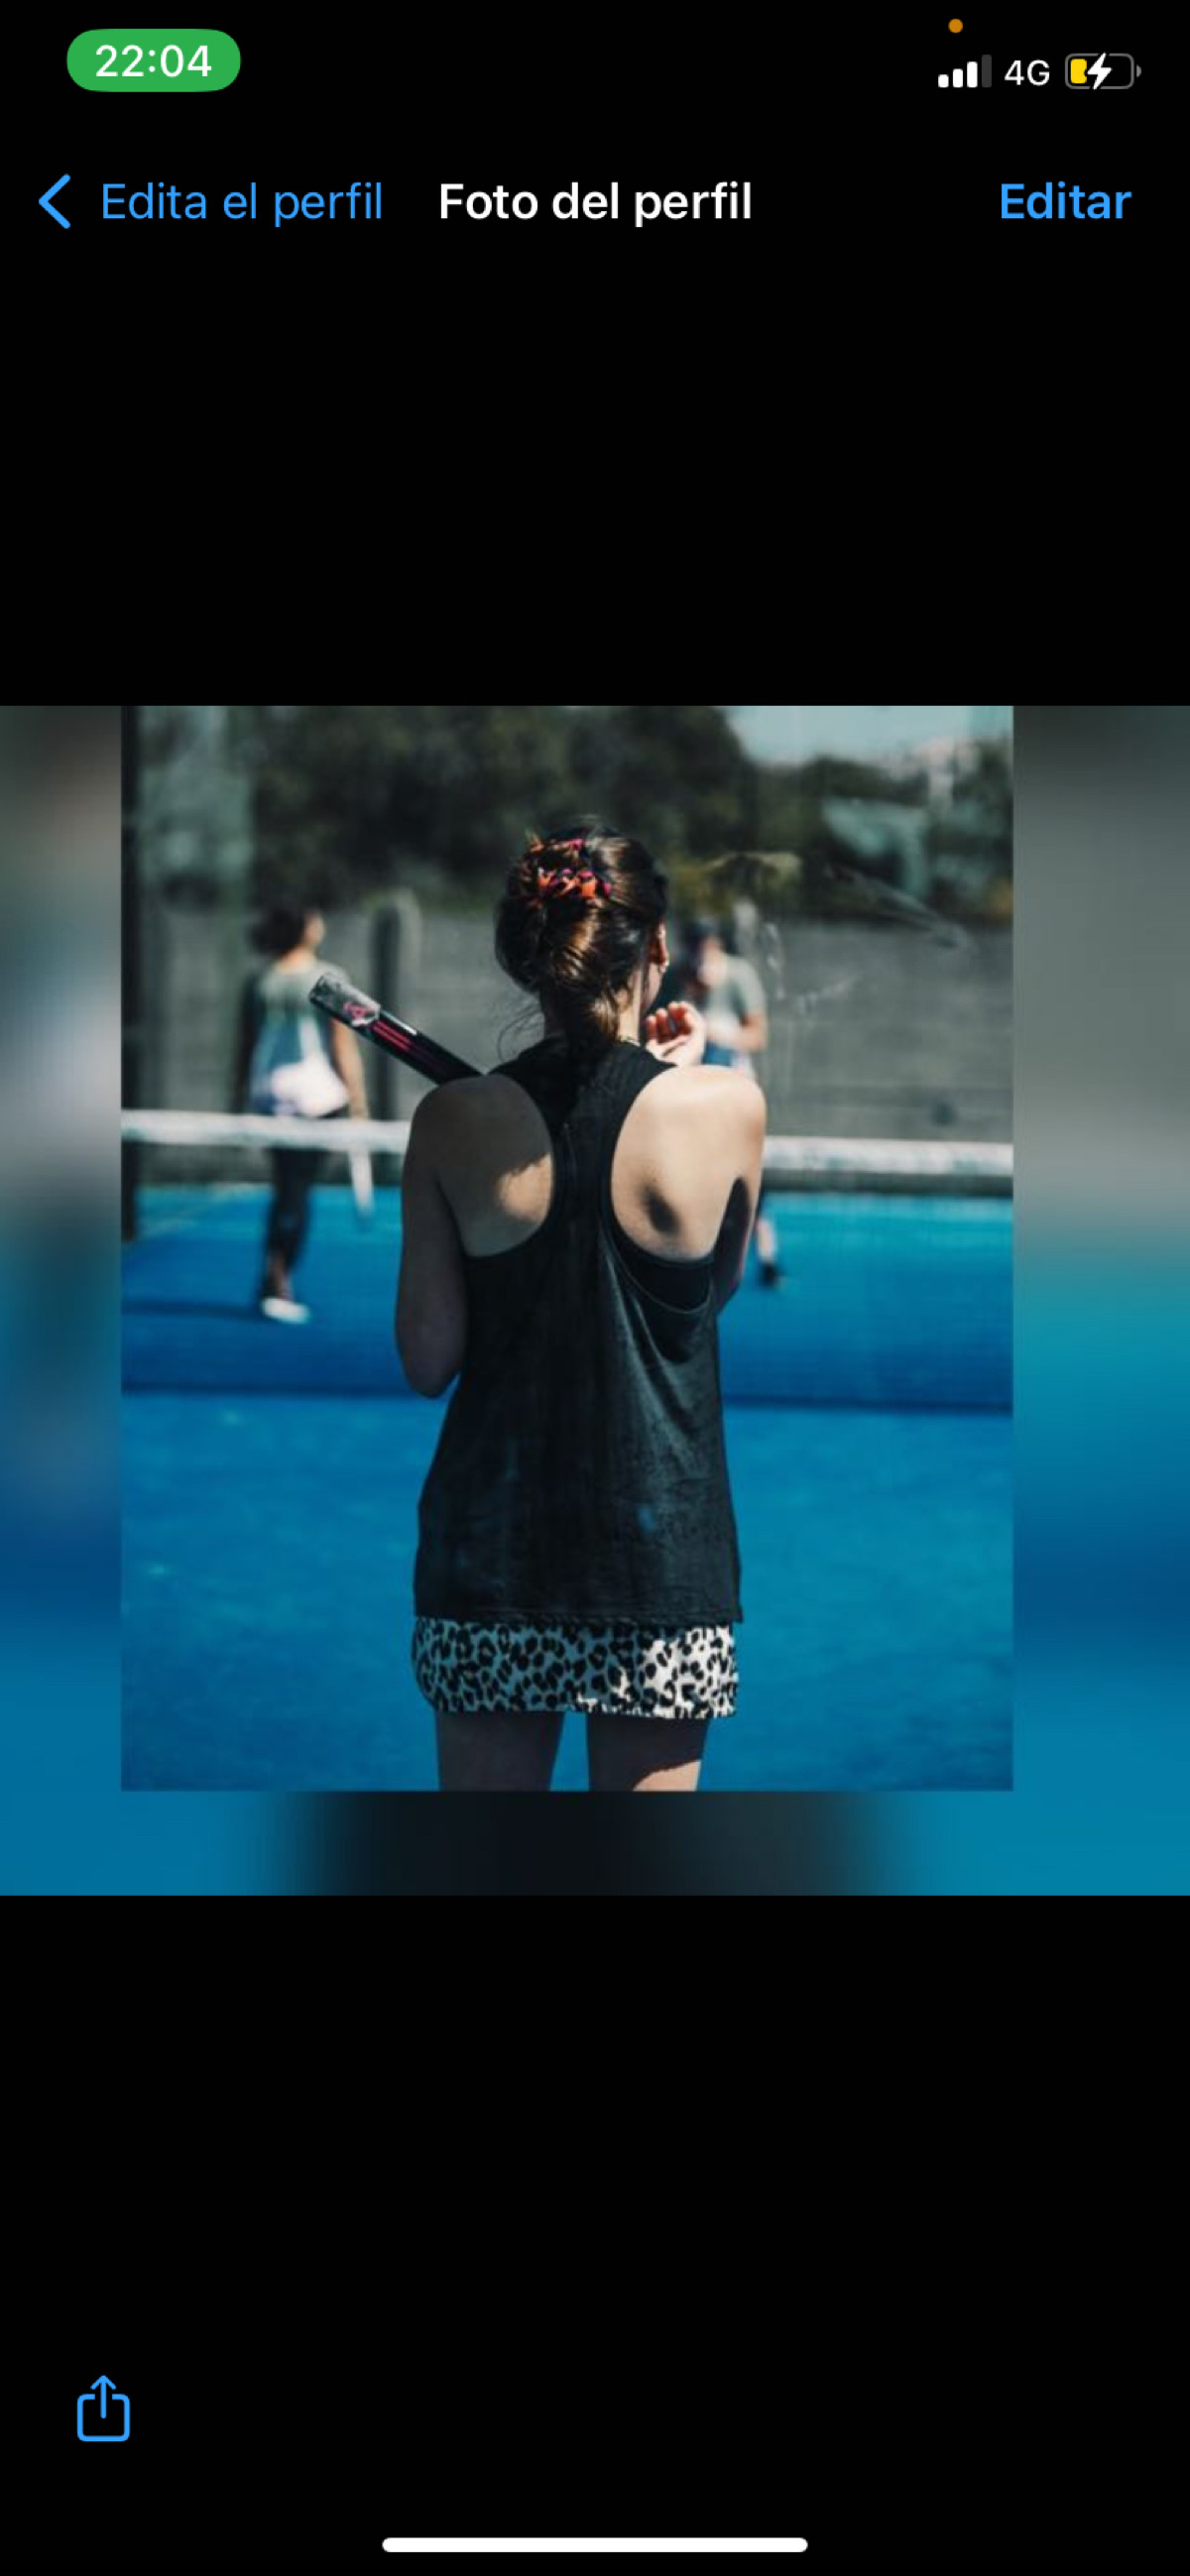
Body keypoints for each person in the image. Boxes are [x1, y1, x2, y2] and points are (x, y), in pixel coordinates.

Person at [396, 821, 766, 1794]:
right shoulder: (729, 1109)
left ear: (529, 957)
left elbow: (428, 1358)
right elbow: (707, 1298)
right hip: (660, 1565)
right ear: (655, 948)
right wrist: (669, 1079)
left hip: (491, 1558)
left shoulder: (450, 1121)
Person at [232, 899, 367, 1323]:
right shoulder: (332, 978)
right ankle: (278, 1280)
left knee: (286, 1186)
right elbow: (343, 1045)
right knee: (297, 1190)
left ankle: (274, 1274)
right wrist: (358, 1101)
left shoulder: (259, 980)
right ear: (306, 928)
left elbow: (246, 1046)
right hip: (317, 1096)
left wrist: (237, 1098)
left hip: (269, 1095)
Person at [663, 917, 783, 1286]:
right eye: (695, 946)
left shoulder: (738, 976)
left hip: (733, 1091)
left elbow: (758, 1035)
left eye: (707, 946)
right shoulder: (675, 978)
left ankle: (766, 1257)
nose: (701, 954)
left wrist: (720, 1035)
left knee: (748, 1180)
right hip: (690, 1096)